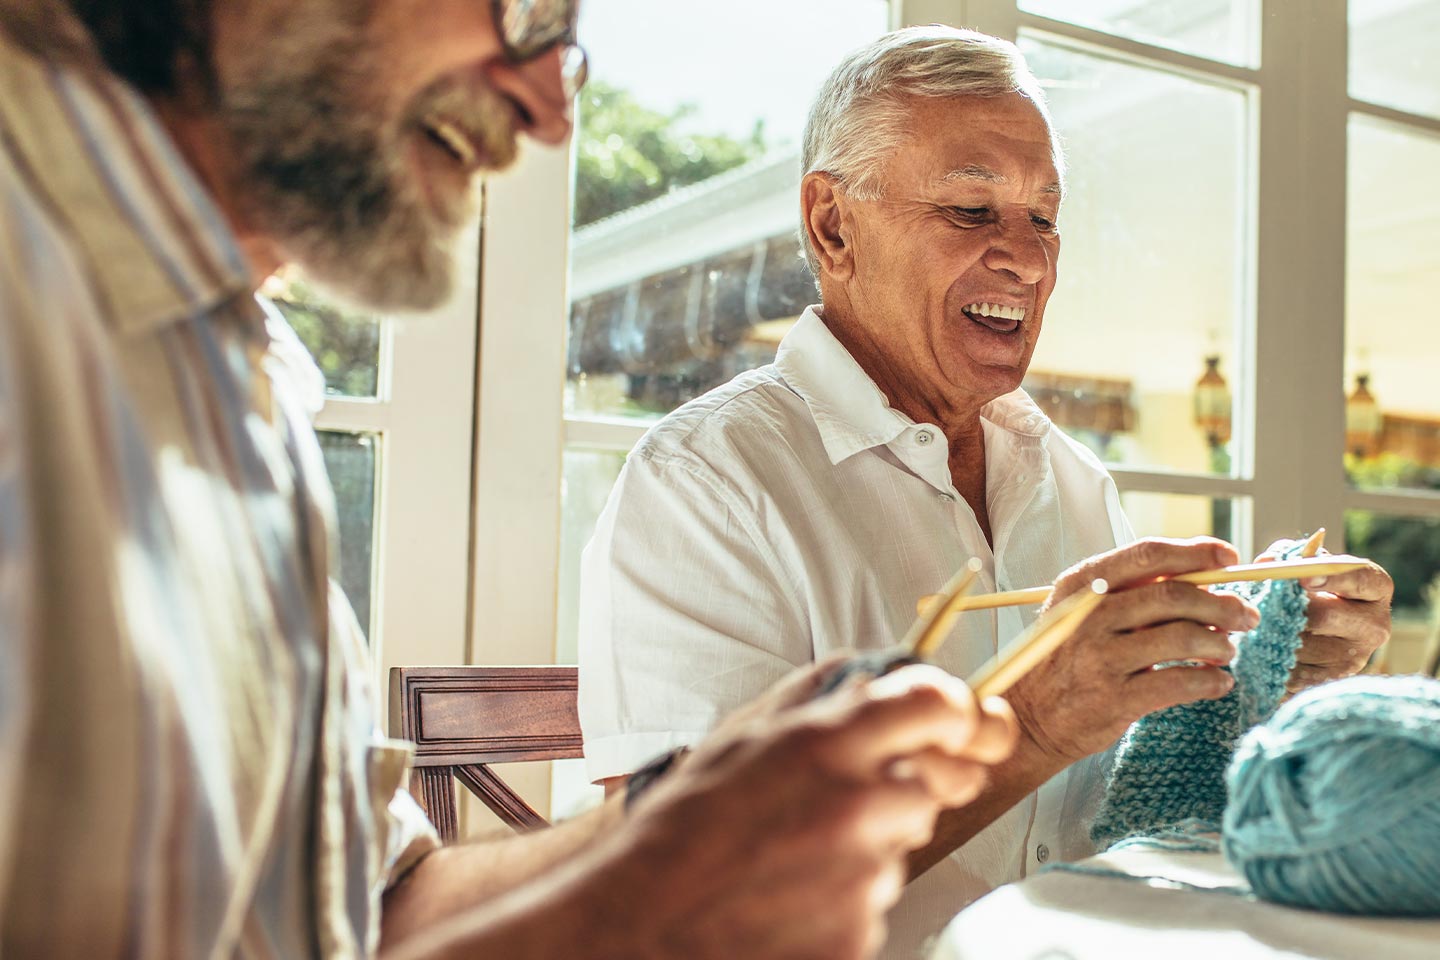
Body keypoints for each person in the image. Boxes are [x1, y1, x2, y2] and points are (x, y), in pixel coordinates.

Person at [0, 2, 1021, 957]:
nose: (549, 113)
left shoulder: (234, 373)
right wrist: (649, 895)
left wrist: (702, 807)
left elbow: (378, 911)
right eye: (526, 10)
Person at [576, 25, 1396, 958]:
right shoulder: (708, 483)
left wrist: (1264, 683)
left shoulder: (1075, 482)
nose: (1028, 259)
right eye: (972, 211)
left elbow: (1131, 798)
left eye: (1044, 217)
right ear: (831, 224)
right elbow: (686, 901)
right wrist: (1032, 723)